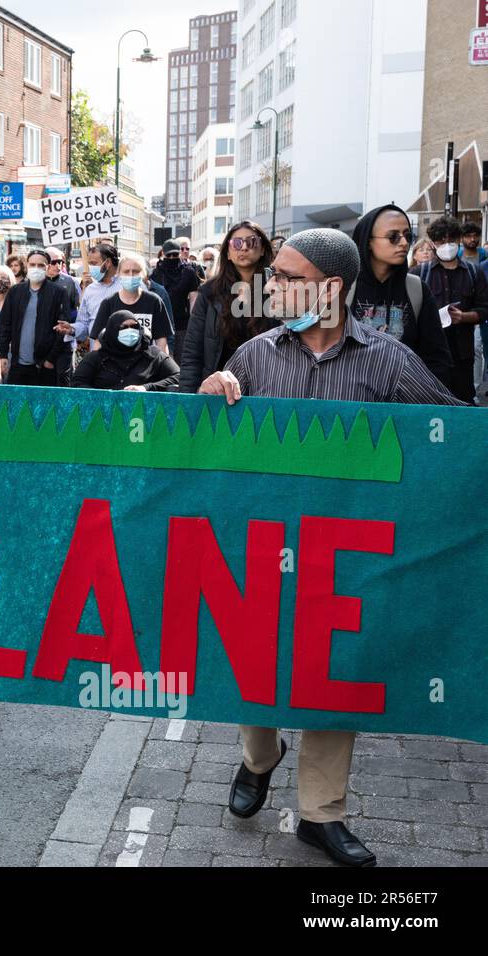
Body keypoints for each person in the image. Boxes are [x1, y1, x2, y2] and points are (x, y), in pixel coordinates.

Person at [199, 228, 462, 867]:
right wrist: (210, 393)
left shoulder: (389, 361)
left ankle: (321, 815)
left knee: (332, 675)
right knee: (251, 663)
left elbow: (451, 433)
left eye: (288, 276)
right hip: (261, 550)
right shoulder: (255, 356)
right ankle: (260, 758)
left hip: (342, 560)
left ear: (331, 288)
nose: (273, 287)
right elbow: (209, 448)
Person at [348, 204, 454, 386]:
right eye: (393, 237)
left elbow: (437, 358)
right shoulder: (343, 288)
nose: (404, 243)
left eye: (407, 236)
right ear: (368, 242)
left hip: (404, 402)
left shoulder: (416, 289)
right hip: (350, 400)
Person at [178, 220, 275, 393]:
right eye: (236, 243)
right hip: (220, 392)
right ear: (228, 253)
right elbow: (192, 353)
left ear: (262, 249)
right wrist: (190, 402)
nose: (244, 248)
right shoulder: (209, 293)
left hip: (267, 390)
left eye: (251, 241)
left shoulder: (278, 290)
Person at [419, 215, 487, 403]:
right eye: (441, 241)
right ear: (433, 243)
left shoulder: (474, 273)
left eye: (451, 240)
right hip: (429, 355)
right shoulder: (420, 273)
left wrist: (464, 317)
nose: (447, 245)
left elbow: (484, 309)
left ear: (458, 241)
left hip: (462, 354)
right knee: (431, 402)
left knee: (463, 401)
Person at [0, 249, 74, 386]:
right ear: (26, 265)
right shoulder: (15, 292)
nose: (36, 268)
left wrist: (50, 360)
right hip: (17, 365)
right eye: (32, 265)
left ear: (48, 267)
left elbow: (62, 330)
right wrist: (3, 354)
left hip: (44, 366)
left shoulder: (58, 293)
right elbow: (4, 325)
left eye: (40, 265)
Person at [72, 309, 179, 391]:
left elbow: (179, 376)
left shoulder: (153, 355)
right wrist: (104, 397)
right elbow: (77, 383)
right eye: (123, 327)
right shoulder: (96, 358)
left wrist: (146, 388)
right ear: (112, 331)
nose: (130, 331)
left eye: (134, 326)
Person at [90, 252, 174, 354]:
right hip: (114, 364)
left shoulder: (154, 302)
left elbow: (161, 342)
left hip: (145, 364)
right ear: (119, 274)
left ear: (143, 274)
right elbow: (98, 342)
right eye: (126, 271)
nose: (131, 275)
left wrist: (164, 365)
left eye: (135, 271)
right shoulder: (109, 303)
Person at [74, 242, 122, 346]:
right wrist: (72, 329)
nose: (91, 268)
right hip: (97, 354)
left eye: (93, 263)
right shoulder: (90, 290)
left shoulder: (126, 286)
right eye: (89, 264)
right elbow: (84, 324)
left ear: (107, 262)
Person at [151, 239, 201, 340]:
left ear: (179, 254)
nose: (172, 258)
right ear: (163, 255)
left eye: (174, 255)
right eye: (168, 255)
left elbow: (193, 300)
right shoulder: (157, 272)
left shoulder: (188, 272)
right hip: (161, 324)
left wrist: (193, 323)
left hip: (182, 325)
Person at [45, 246, 82, 330]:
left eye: (60, 262)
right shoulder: (36, 281)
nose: (58, 265)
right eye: (54, 262)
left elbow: (77, 306)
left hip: (63, 332)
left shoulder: (69, 281)